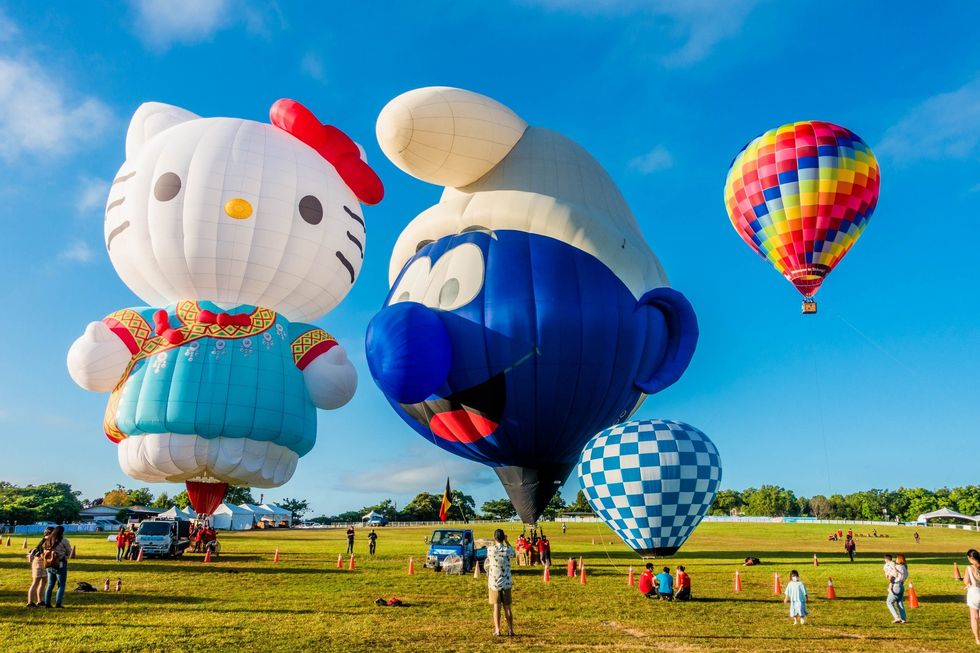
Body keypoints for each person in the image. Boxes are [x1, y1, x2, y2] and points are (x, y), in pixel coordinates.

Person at [485, 528, 515, 637]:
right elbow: (513, 553)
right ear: (503, 537)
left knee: (496, 607)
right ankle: (510, 630)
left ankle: (497, 630)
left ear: (494, 538)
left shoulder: (490, 550)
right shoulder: (508, 550)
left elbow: (489, 557)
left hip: (494, 582)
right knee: (507, 607)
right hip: (506, 582)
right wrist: (507, 541)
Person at [42, 525, 72, 608]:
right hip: (60, 564)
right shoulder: (64, 541)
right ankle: (58, 603)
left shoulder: (47, 540)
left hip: (49, 564)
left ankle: (47, 603)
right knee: (61, 584)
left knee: (50, 584)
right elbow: (70, 553)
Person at [26, 527, 53, 608]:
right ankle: (30, 602)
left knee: (43, 582)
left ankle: (40, 601)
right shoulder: (44, 541)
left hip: (44, 563)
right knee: (35, 582)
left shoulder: (49, 541)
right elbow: (42, 555)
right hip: (39, 562)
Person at [963, 549, 980, 645]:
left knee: (975, 617)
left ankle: (977, 639)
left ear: (970, 558)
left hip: (974, 593)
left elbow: (966, 581)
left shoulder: (969, 568)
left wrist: (967, 584)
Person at [886, 553, 909, 624]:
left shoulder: (897, 567)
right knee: (899, 603)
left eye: (896, 558)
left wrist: (888, 574)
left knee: (889, 602)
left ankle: (897, 617)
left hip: (896, 586)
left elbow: (890, 576)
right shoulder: (905, 568)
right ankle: (903, 618)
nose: (895, 559)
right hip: (902, 586)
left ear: (898, 559)